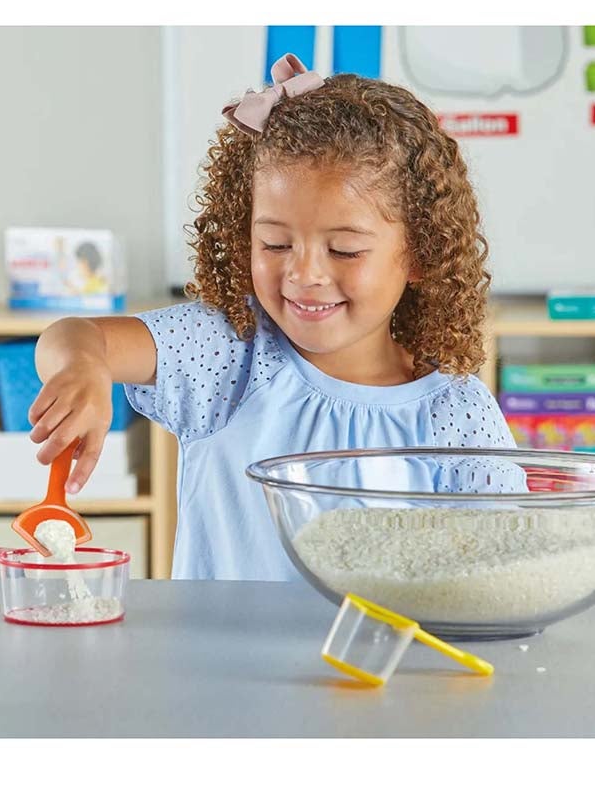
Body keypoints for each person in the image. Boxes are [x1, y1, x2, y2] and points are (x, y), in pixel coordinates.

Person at [28, 53, 517, 581]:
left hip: (384, 666)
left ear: (421, 253)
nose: (304, 274)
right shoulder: (230, 352)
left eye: (345, 251)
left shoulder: (456, 413)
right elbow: (77, 336)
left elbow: (504, 566)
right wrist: (82, 366)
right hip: (216, 666)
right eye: (275, 243)